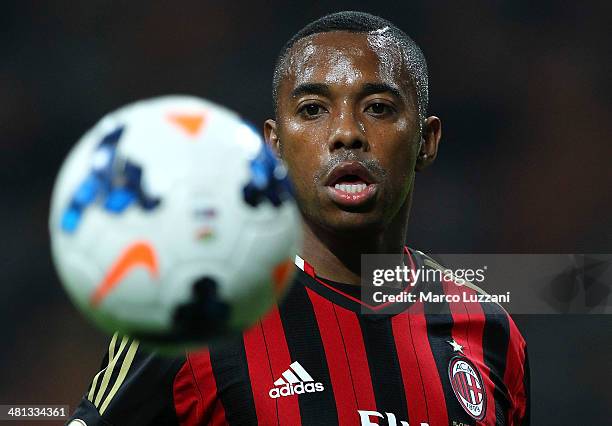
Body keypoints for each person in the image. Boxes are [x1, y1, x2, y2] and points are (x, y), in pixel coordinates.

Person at [68, 11, 529, 426]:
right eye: (313, 110)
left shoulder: (488, 327)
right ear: (274, 147)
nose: (347, 132)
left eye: (378, 108)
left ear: (426, 142)